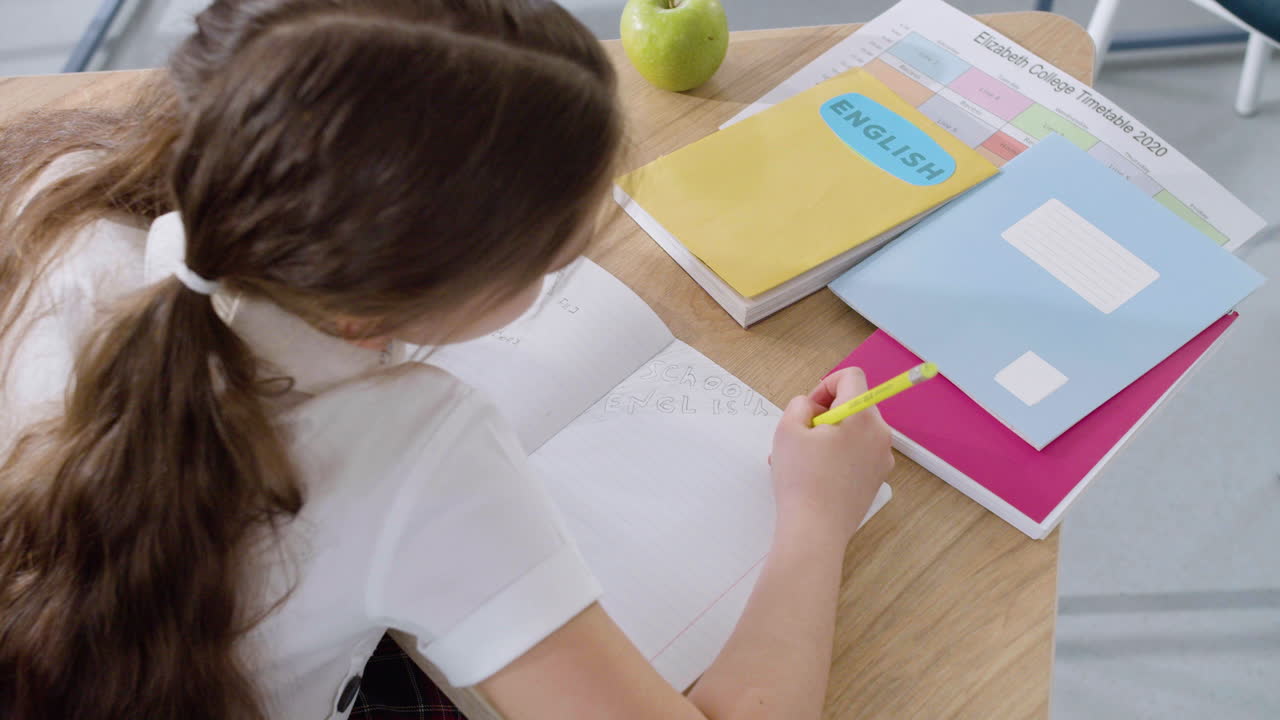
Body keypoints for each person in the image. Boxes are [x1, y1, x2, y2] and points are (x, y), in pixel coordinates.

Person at [0, 1, 894, 718]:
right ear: (365, 314)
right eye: (546, 267)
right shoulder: (417, 453)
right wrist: (818, 515)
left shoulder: (55, 194)